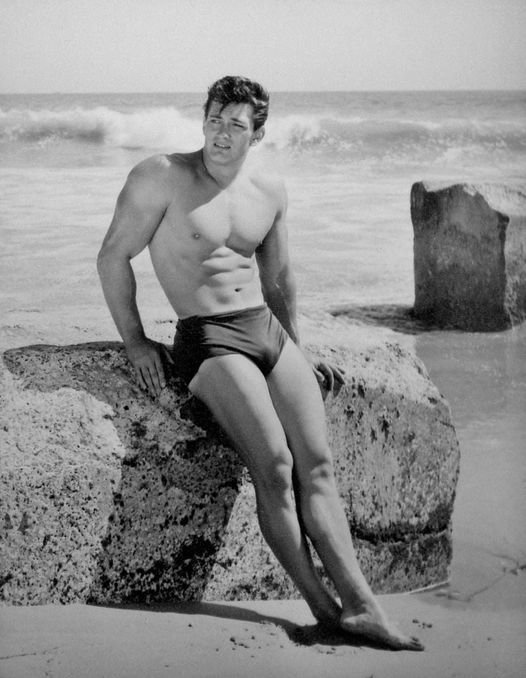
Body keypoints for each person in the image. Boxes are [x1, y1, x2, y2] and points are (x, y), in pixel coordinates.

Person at [97, 75, 423, 651]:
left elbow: (279, 278)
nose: (221, 134)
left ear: (258, 134)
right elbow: (112, 256)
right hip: (208, 337)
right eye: (214, 120)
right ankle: (323, 609)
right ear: (203, 120)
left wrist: (296, 346)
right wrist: (136, 341)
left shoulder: (269, 188)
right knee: (273, 464)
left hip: (264, 330)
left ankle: (363, 607)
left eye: (236, 124)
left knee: (317, 466)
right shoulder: (161, 176)